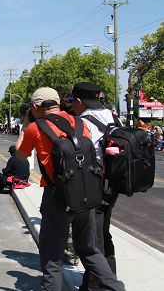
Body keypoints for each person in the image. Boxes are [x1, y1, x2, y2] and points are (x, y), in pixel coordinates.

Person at [15, 87, 124, 291]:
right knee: (90, 252)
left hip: (57, 197)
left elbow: (20, 156)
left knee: (52, 260)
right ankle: (117, 288)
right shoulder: (81, 122)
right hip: (86, 195)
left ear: (36, 107)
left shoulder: (35, 127)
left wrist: (26, 123)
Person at [71, 83, 122, 291]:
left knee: (92, 239)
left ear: (79, 101)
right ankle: (106, 278)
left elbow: (79, 154)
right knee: (104, 232)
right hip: (114, 182)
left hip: (96, 184)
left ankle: (98, 286)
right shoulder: (113, 116)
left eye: (73, 101)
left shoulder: (84, 122)